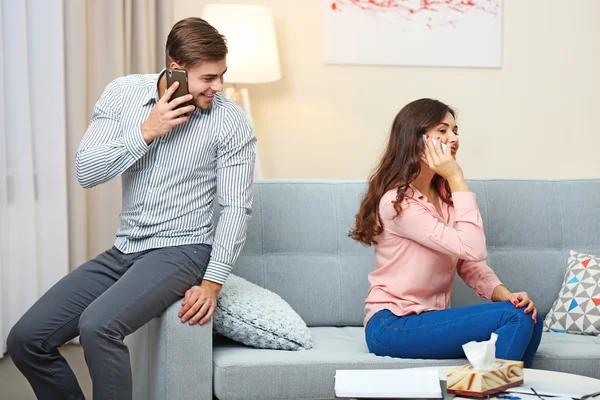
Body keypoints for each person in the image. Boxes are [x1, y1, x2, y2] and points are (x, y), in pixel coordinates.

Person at [7, 17, 255, 400]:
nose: (218, 87)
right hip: (125, 249)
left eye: (221, 74)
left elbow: (236, 207)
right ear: (175, 69)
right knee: (26, 339)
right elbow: (86, 172)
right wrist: (146, 131)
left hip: (183, 249)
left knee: (98, 327)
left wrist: (212, 282)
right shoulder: (123, 93)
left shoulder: (230, 121)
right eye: (208, 78)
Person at [349, 98, 542, 367]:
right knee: (515, 318)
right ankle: (493, 393)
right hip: (392, 325)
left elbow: (470, 263)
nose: (453, 138)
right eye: (442, 130)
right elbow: (472, 247)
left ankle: (499, 392)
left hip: (429, 320)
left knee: (527, 314)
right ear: (417, 139)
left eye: (455, 131)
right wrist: (456, 177)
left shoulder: (444, 197)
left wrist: (505, 295)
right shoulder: (398, 203)